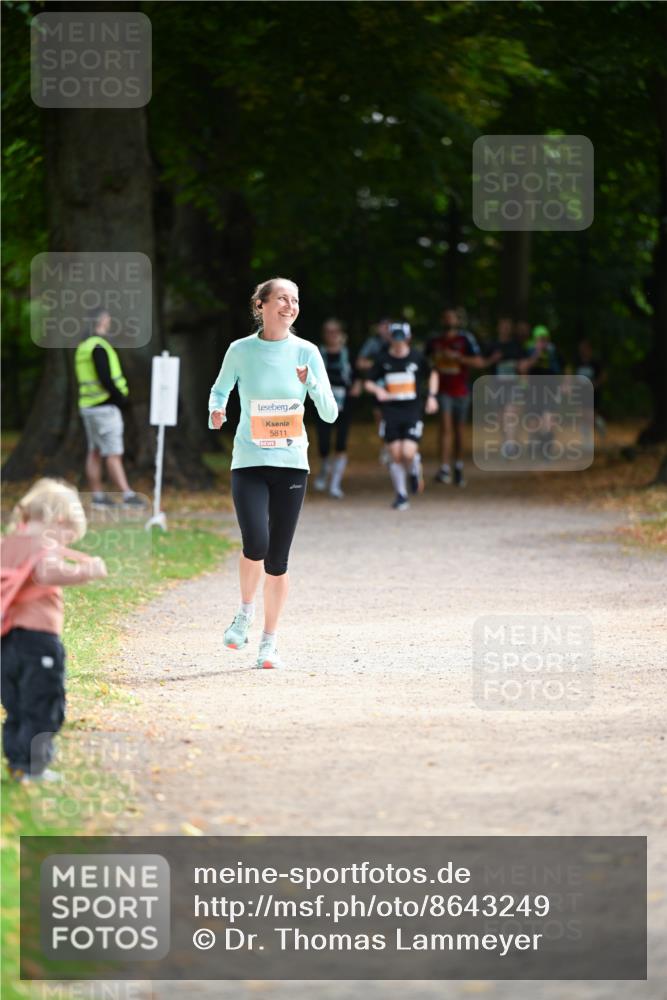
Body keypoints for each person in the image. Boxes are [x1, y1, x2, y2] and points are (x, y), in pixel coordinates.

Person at [208, 277, 338, 669]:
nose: (290, 305)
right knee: (256, 543)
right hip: (248, 461)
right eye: (282, 298)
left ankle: (269, 642)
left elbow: (330, 411)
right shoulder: (240, 350)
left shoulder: (307, 352)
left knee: (278, 559)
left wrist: (310, 382)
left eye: (295, 299)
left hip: (291, 463)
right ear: (261, 305)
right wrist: (217, 411)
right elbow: (219, 390)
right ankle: (244, 613)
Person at [1, 479, 108, 782]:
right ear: (59, 520)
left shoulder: (8, 543)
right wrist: (86, 571)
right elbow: (48, 571)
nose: (65, 545)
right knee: (44, 704)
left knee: (17, 704)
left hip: (6, 642)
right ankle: (33, 767)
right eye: (68, 537)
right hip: (38, 641)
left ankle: (18, 762)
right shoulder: (44, 546)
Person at [74, 308, 146, 510]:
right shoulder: (98, 346)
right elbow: (105, 377)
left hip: (88, 407)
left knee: (94, 451)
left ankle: (98, 497)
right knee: (113, 453)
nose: (110, 322)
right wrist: (120, 399)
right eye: (107, 319)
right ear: (102, 321)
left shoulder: (84, 346)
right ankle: (127, 495)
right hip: (105, 407)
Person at [364, 322, 438, 511]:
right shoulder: (383, 359)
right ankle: (401, 495)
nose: (398, 342)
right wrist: (378, 390)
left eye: (401, 337)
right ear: (390, 338)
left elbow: (433, 374)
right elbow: (368, 382)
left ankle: (414, 469)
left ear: (408, 338)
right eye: (394, 337)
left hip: (412, 410)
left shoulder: (417, 357)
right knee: (395, 454)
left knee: (407, 452)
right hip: (391, 411)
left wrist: (431, 396)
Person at [426, 307, 492, 487]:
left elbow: (479, 362)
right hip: (442, 391)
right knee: (445, 427)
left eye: (452, 318)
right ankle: (444, 467)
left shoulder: (465, 339)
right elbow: (426, 362)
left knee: (459, 431)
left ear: (457, 320)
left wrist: (458, 357)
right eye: (445, 318)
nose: (448, 321)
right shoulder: (435, 341)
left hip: (462, 391)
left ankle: (458, 465)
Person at [313, 318, 357, 499]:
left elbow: (358, 376)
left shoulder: (348, 354)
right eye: (328, 332)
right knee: (323, 442)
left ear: (340, 333)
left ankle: (335, 484)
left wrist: (357, 386)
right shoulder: (316, 353)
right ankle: (324, 468)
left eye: (335, 331)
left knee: (341, 442)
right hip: (322, 401)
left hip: (344, 403)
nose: (332, 335)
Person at [574, 338, 607, 436]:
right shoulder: (578, 363)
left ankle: (599, 424)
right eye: (581, 349)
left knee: (591, 414)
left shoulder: (595, 362)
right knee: (583, 414)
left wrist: (596, 383)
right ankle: (586, 436)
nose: (582, 351)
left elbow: (603, 375)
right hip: (582, 393)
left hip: (593, 392)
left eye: (584, 349)